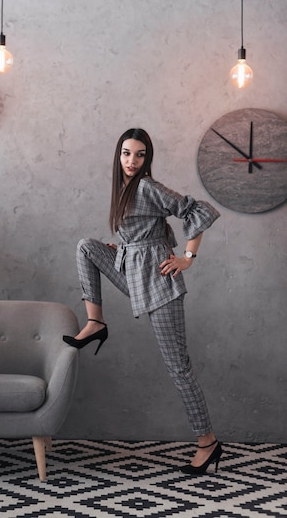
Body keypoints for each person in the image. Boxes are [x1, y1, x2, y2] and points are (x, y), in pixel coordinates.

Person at [63, 127, 222, 475]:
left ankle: (207, 443)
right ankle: (96, 322)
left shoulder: (148, 187)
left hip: (161, 283)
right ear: (117, 155)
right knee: (87, 247)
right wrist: (122, 249)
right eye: (126, 153)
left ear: (147, 158)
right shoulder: (121, 189)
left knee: (178, 367)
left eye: (139, 155)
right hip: (133, 272)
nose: (132, 161)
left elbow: (198, 211)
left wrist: (187, 258)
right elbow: (145, 234)